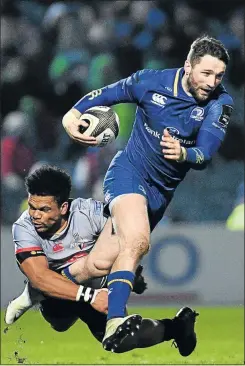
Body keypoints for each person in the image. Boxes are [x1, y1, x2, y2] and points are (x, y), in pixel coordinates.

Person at [62, 35, 233, 351]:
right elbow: (108, 94)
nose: (212, 82)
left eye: (219, 75)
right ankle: (112, 316)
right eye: (206, 73)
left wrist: (184, 154)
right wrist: (72, 114)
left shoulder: (220, 103)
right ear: (187, 67)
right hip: (128, 173)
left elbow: (206, 153)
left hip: (158, 194)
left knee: (97, 269)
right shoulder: (151, 82)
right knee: (137, 242)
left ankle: (175, 327)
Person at [5, 165, 198, 356]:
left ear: (63, 207)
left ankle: (177, 328)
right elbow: (39, 277)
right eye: (32, 207)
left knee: (118, 342)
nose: (35, 215)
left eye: (44, 209)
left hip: (97, 285)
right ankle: (33, 295)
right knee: (60, 323)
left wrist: (130, 269)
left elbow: (126, 238)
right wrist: (90, 296)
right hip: (59, 293)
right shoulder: (24, 227)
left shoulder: (90, 213)